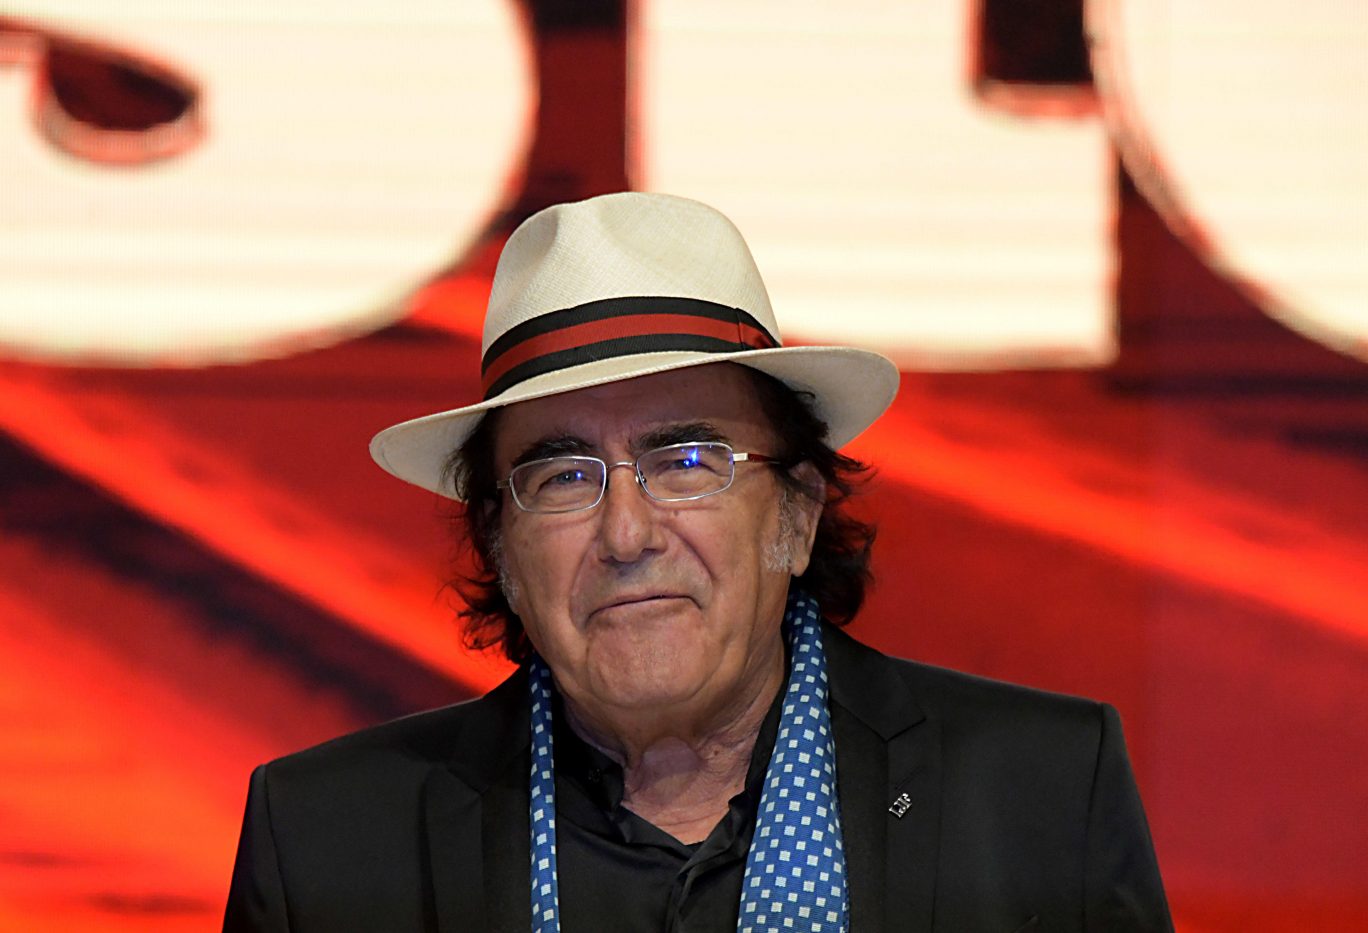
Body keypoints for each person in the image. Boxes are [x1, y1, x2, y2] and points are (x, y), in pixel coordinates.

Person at [224, 192, 1173, 932]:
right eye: (563, 477)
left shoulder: (1043, 791)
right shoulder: (324, 846)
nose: (627, 533)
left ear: (797, 512)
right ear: (502, 547)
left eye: (686, 462)